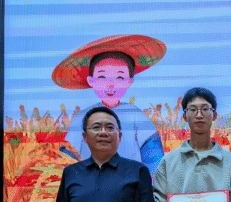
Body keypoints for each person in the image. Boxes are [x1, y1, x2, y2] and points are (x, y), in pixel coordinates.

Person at [52, 35, 166, 173]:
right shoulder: (82, 117)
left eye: (119, 77)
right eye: (102, 77)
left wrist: (150, 181)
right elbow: (67, 156)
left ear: (129, 82)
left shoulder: (134, 114)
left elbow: (153, 153)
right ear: (91, 81)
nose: (110, 84)